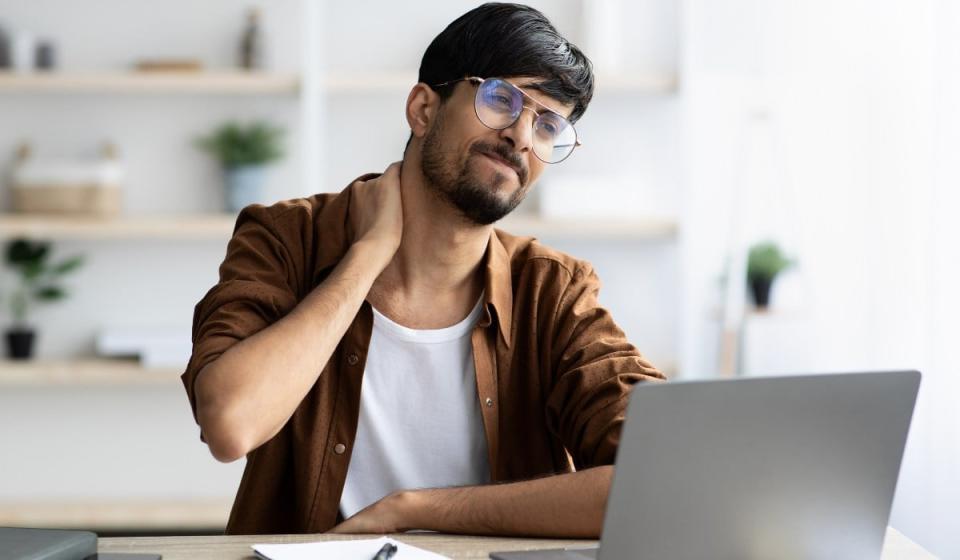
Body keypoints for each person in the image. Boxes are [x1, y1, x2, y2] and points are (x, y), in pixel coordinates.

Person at [181, 2, 664, 537]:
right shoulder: (286, 238)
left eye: (548, 125)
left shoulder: (553, 291)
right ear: (423, 109)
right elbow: (230, 423)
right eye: (501, 99)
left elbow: (664, 479)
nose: (522, 137)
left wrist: (415, 510)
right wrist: (366, 256)